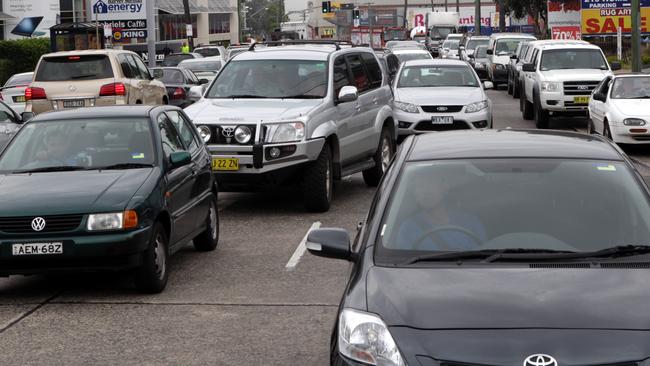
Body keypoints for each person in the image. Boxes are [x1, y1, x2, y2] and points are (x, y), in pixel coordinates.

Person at [396, 166, 487, 250]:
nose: (426, 191)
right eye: (420, 186)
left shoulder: (471, 222)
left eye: (431, 183)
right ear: (415, 194)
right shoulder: (408, 229)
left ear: (445, 187)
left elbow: (483, 257)